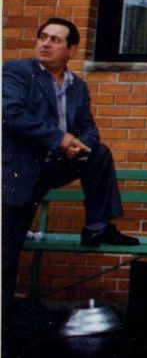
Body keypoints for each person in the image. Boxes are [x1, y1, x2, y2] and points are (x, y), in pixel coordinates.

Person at [3, 19, 138, 314]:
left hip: (58, 164)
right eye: (42, 37)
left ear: (72, 50)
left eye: (55, 40)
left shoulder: (78, 86)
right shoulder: (17, 72)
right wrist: (59, 138)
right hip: (20, 170)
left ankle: (97, 227)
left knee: (98, 153)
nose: (45, 44)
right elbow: (9, 113)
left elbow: (89, 128)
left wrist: (80, 145)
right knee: (6, 251)